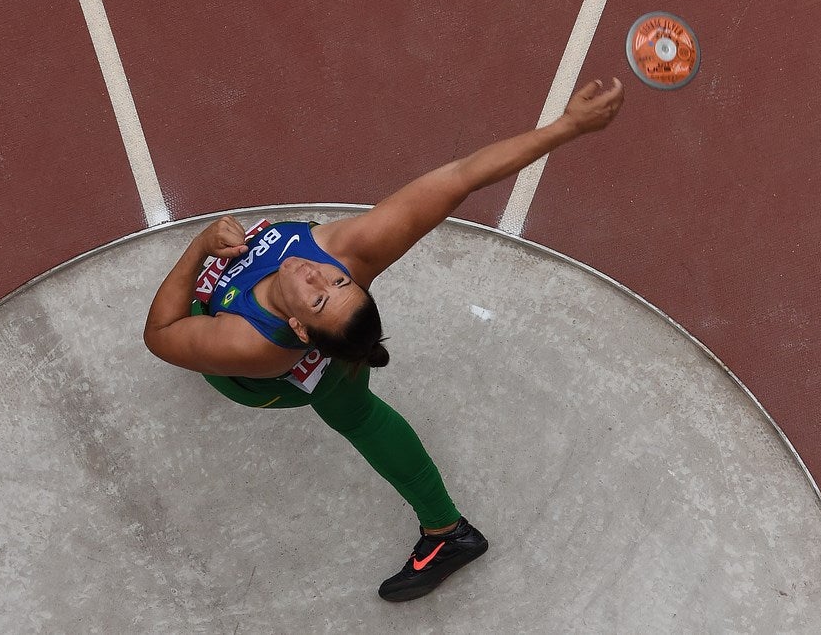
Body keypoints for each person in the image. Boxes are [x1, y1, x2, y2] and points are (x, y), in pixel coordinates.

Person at [144, 78, 624, 601]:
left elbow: (161, 335)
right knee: (349, 392)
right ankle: (441, 521)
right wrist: (565, 127)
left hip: (264, 380)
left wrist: (197, 250)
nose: (316, 275)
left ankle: (447, 534)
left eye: (322, 295)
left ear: (301, 331)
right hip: (328, 348)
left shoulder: (251, 345)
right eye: (337, 281)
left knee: (354, 414)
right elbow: (461, 177)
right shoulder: (345, 251)